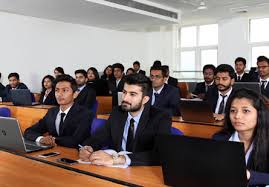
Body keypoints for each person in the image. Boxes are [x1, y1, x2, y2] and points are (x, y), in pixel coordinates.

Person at [79, 73, 171, 166]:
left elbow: (160, 154)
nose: (125, 98)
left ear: (145, 99)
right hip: (116, 171)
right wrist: (88, 148)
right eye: (124, 92)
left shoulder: (161, 117)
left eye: (132, 94)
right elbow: (100, 137)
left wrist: (120, 159)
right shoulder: (117, 112)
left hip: (142, 170)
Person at [213, 89, 269, 186]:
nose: (237, 116)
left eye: (245, 111)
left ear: (259, 114)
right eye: (233, 111)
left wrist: (250, 175)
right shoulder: (218, 139)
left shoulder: (267, 141)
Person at [24, 74, 94, 148]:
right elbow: (29, 131)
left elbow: (76, 140)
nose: (59, 94)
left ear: (75, 94)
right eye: (57, 90)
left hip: (74, 154)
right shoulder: (52, 112)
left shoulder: (85, 113)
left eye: (65, 90)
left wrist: (52, 139)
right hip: (53, 151)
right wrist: (41, 139)